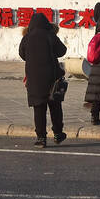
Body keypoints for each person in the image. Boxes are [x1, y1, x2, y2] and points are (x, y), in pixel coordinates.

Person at [19, 12, 68, 147]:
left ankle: (41, 138)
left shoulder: (27, 38)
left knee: (39, 108)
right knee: (55, 107)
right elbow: (62, 51)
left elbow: (22, 54)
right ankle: (58, 134)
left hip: (34, 80)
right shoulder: (49, 35)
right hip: (52, 79)